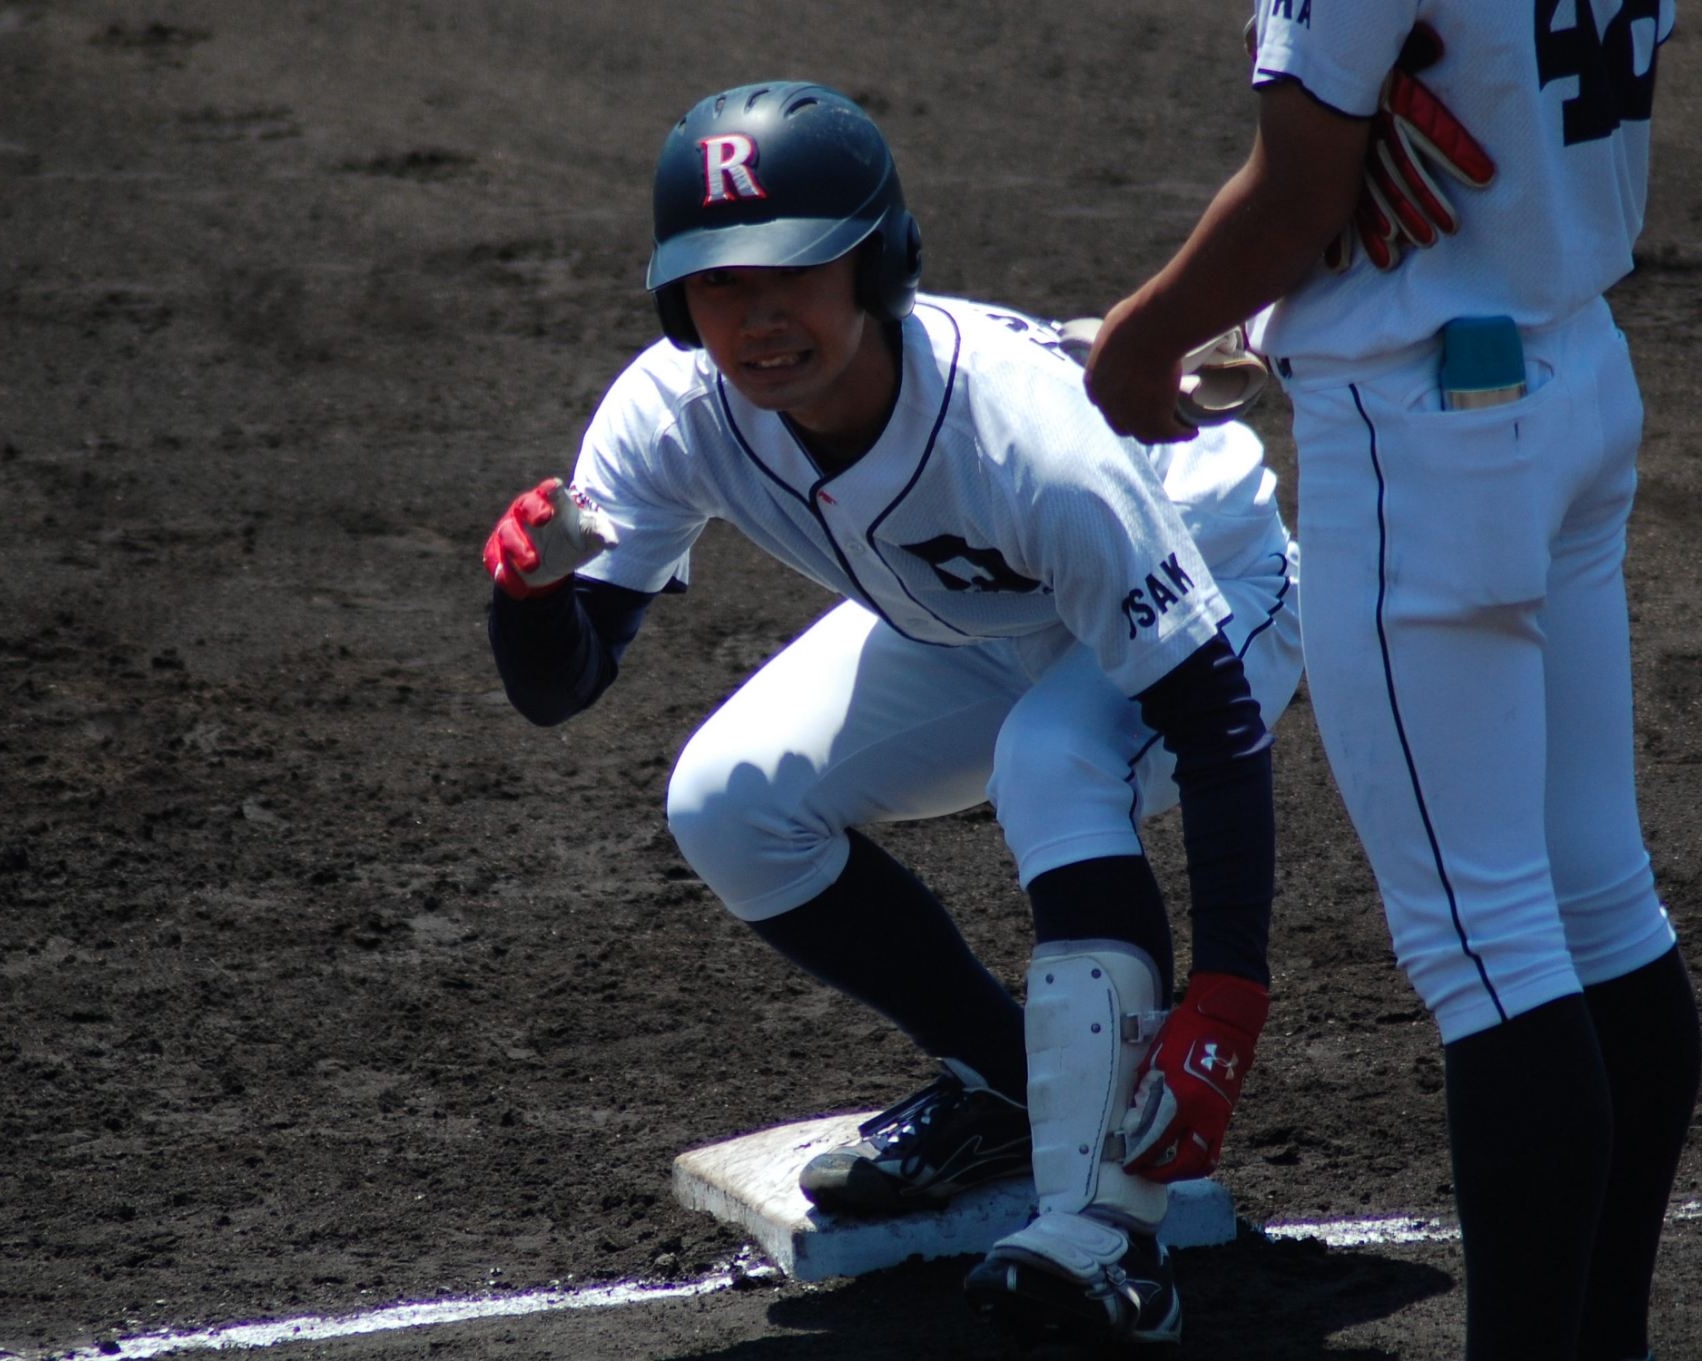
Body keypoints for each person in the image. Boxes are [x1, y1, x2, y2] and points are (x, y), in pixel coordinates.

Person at [482, 81, 1302, 1349]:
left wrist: (1226, 998)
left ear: (875, 268)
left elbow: (1215, 725)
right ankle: (1015, 1084)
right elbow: (561, 683)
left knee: (1054, 755)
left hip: (1210, 582)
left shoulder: (1026, 441)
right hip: (969, 618)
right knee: (729, 803)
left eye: (795, 273)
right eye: (718, 284)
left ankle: (1108, 1227)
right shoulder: (674, 412)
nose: (758, 317)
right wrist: (528, 598)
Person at [1080, 6, 1702, 1361]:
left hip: (1428, 428)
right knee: (1600, 904)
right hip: (1574, 365)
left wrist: (1142, 336)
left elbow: (1299, 195)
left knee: (1489, 947)